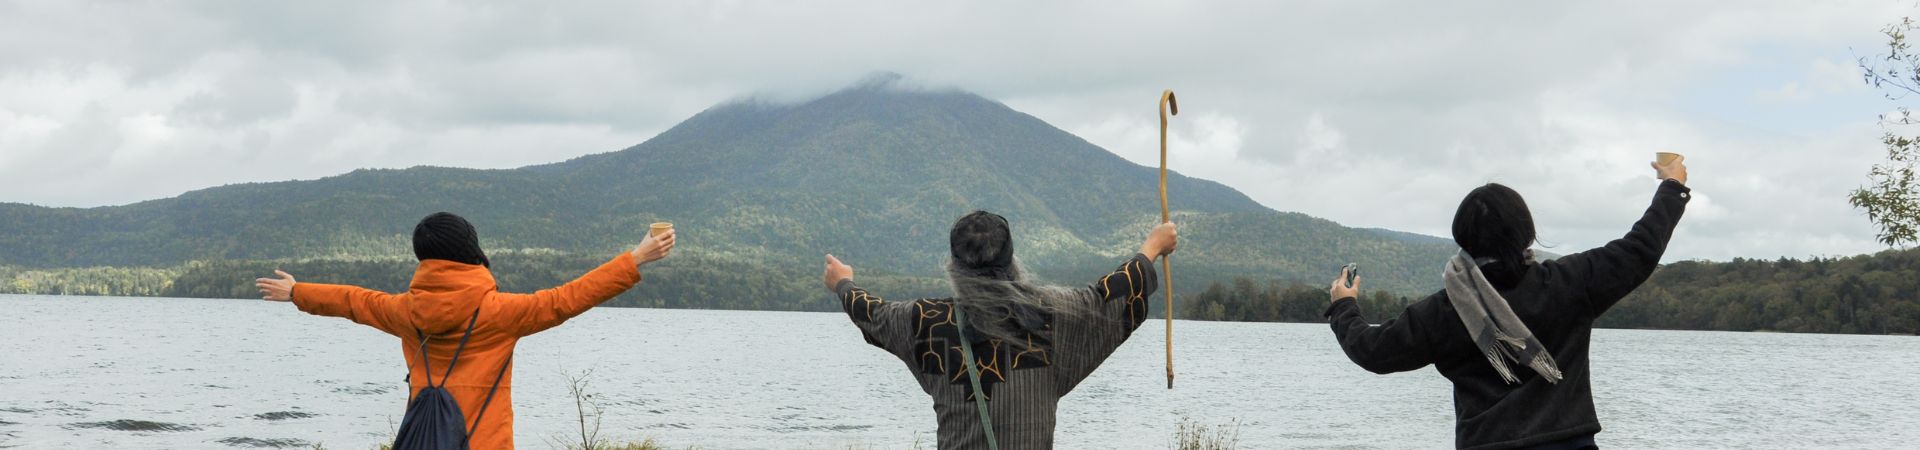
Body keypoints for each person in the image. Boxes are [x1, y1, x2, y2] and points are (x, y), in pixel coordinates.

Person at [1324, 157, 1690, 450]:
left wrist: (1344, 305)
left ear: (1462, 238)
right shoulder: (1569, 283)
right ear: (1527, 233)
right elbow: (1640, 248)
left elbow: (1372, 350)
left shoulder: (1444, 312)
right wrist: (1672, 186)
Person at [254, 212, 675, 450]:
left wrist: (298, 292)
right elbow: (567, 298)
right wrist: (636, 258)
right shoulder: (500, 313)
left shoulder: (403, 311)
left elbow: (353, 301)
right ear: (471, 251)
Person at [822, 210, 1176, 450]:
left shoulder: (925, 322)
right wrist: (1152, 247)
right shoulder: (1049, 316)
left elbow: (872, 313)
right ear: (1010, 259)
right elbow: (1109, 296)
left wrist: (843, 283)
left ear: (955, 263)